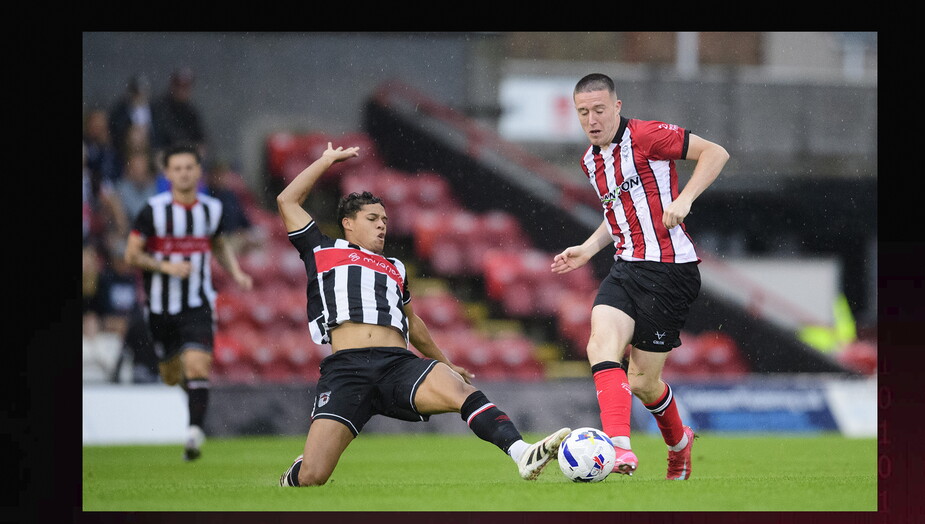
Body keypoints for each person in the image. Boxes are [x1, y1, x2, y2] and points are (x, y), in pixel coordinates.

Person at [276, 142, 570, 487]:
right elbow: (286, 201)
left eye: (385, 220)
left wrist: (444, 362)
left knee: (460, 390)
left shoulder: (395, 266)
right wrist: (325, 160)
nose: (382, 226)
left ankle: (522, 453)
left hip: (396, 364)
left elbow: (412, 322)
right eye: (372, 219)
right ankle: (297, 471)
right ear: (348, 224)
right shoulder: (323, 249)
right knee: (314, 475)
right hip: (348, 369)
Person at [551, 73, 730, 480]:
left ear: (616, 106)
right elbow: (618, 214)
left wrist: (684, 199)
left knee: (645, 382)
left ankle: (679, 445)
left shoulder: (647, 135)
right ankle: (619, 447)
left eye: (599, 110)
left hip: (671, 271)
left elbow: (716, 153)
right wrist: (589, 247)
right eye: (583, 113)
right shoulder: (590, 161)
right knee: (600, 343)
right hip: (626, 266)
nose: (592, 120)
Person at [124, 144, 253, 460]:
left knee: (198, 364)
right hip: (160, 307)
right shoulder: (152, 210)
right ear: (167, 174)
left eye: (189, 167)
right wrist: (164, 266)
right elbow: (131, 255)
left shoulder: (211, 209)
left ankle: (194, 434)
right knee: (170, 374)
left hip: (197, 302)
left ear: (198, 172)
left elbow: (219, 244)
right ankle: (189, 396)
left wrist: (236, 272)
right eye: (177, 168)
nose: (183, 173)